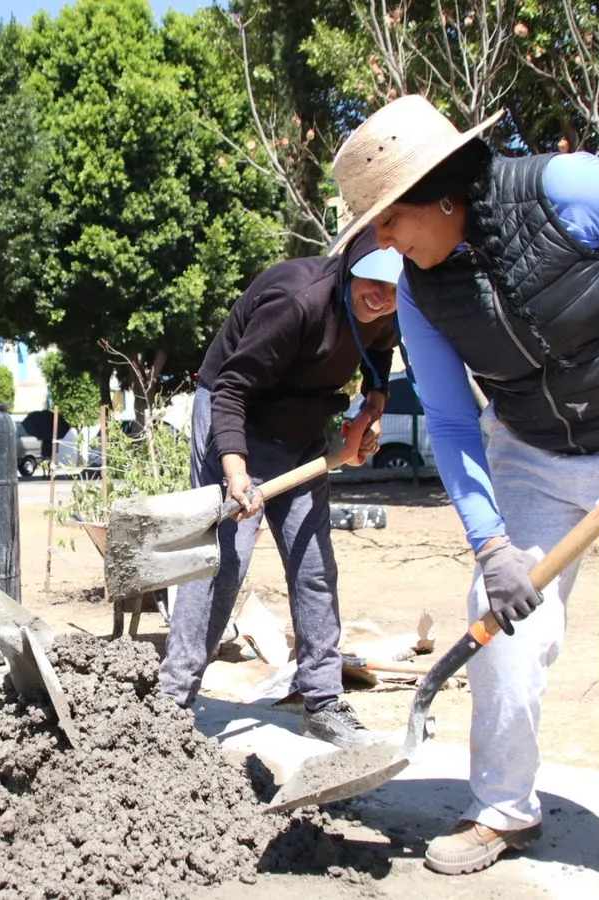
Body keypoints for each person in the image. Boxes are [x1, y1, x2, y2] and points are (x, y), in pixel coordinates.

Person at [329, 95, 599, 900]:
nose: (382, 242)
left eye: (387, 219)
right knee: (501, 629)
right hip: (535, 455)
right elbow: (449, 419)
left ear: (441, 192)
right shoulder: (419, 291)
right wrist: (492, 544)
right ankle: (503, 808)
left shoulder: (564, 189)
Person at [156, 227, 404, 749]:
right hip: (235, 418)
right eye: (373, 284)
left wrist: (373, 409)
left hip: (301, 432)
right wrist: (236, 470)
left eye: (394, 288)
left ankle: (323, 701)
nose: (382, 298)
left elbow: (379, 356)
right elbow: (230, 389)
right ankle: (171, 705)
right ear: (350, 268)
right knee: (222, 564)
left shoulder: (386, 310)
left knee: (314, 565)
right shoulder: (295, 302)